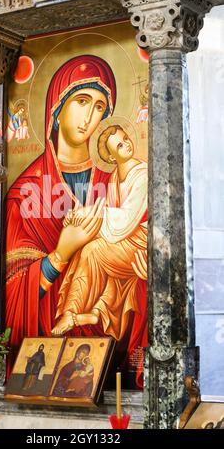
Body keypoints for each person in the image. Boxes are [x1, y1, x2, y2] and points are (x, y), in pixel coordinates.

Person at [4, 55, 117, 375]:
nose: (90, 117)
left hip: (100, 352)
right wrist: (60, 254)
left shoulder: (114, 183)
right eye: (82, 101)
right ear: (57, 105)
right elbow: (11, 295)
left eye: (99, 108)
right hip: (43, 352)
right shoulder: (24, 193)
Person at [51, 124, 148, 349]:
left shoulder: (142, 174)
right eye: (119, 145)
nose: (127, 145)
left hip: (141, 243)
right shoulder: (114, 178)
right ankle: (84, 314)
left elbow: (124, 221)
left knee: (93, 250)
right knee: (90, 248)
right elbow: (107, 215)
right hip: (123, 242)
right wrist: (76, 218)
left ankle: (73, 312)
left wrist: (89, 215)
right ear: (112, 157)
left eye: (125, 138)